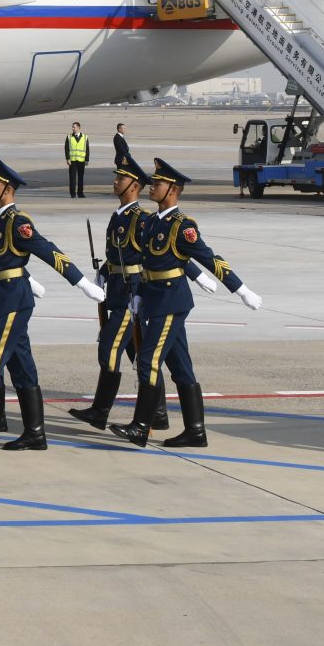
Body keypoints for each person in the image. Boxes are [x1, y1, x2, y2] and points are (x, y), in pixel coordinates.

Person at [108, 159, 262, 448]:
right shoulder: (153, 222)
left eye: (158, 184)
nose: (152, 187)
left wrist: (241, 290)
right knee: (180, 368)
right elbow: (145, 261)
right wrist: (138, 295)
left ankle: (141, 427)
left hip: (170, 301)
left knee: (148, 360)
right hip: (154, 299)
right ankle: (196, 431)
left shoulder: (183, 226)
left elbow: (209, 258)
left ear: (173, 190)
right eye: (152, 183)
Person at [0, 159, 105, 450]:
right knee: (20, 365)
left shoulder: (17, 222)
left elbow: (49, 252)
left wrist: (82, 283)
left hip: (13, 300)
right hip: (2, 296)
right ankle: (35, 433)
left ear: (8, 189)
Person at [67, 152, 167, 431]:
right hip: (117, 290)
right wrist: (102, 274)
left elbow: (158, 255)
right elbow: (116, 254)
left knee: (108, 349)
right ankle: (157, 414)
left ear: (134, 185)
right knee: (138, 353)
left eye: (120, 177)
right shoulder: (119, 216)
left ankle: (101, 412)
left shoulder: (141, 219)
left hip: (130, 295)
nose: (115, 181)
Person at [64, 122, 90, 198]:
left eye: (74, 127)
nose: (72, 128)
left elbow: (87, 149)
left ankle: (80, 193)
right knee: (72, 178)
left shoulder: (85, 137)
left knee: (81, 178)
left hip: (81, 160)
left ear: (78, 128)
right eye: (72, 127)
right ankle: (72, 193)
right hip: (72, 161)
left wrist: (87, 159)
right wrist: (68, 158)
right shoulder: (69, 137)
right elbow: (66, 148)